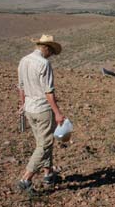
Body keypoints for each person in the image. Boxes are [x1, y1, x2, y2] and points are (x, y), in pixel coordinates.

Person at [17, 34, 66, 193]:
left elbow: (21, 86)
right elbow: (48, 92)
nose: (51, 54)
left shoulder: (24, 60)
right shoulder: (44, 64)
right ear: (46, 48)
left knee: (43, 142)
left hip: (29, 108)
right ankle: (26, 178)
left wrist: (22, 104)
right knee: (45, 145)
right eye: (51, 51)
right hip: (43, 109)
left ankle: (48, 174)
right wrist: (57, 112)